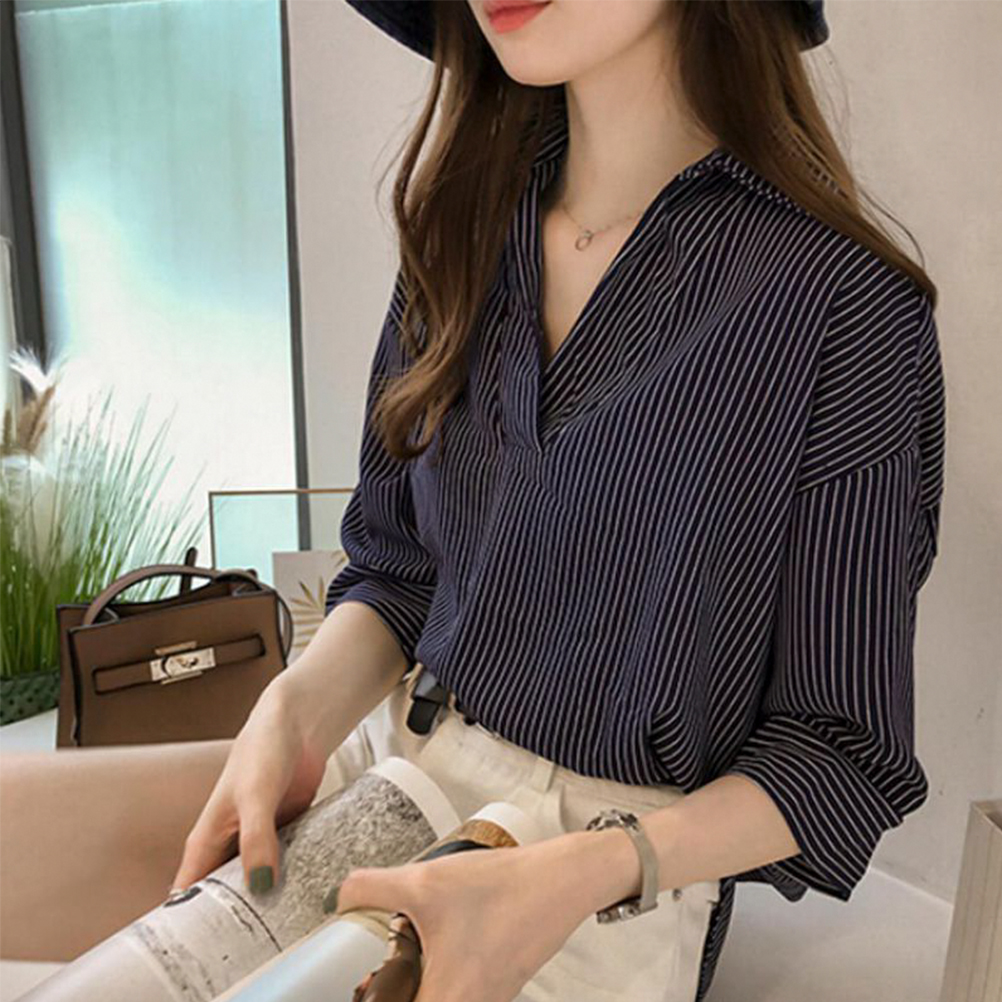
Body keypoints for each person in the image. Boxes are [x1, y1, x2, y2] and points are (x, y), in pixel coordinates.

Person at [0, 2, 946, 1001]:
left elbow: (836, 752)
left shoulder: (843, 305)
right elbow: (399, 570)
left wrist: (595, 867)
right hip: (394, 760)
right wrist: (295, 707)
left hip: (593, 875)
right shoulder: (465, 226)